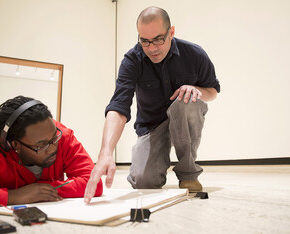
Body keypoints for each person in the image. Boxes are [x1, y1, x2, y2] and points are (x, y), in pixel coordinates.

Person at [84, 6, 220, 203]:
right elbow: (118, 106)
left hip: (184, 115)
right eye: (144, 41)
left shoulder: (194, 54)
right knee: (143, 181)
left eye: (158, 39)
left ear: (171, 32)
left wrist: (196, 90)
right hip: (152, 126)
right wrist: (106, 152)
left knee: (187, 100)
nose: (152, 48)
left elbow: (213, 91)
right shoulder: (132, 60)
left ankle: (188, 175)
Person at [0, 96, 103, 216]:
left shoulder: (61, 136)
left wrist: (42, 191)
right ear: (16, 145)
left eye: (54, 138)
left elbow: (93, 183)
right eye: (41, 145)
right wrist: (12, 196)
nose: (53, 147)